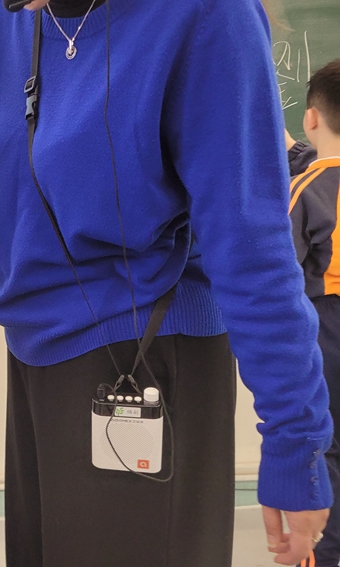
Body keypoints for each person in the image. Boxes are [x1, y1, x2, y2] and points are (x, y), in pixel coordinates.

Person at [0, 0, 331, 565]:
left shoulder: (206, 16)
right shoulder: (6, 13)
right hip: (36, 349)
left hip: (148, 350)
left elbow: (252, 247)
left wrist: (295, 442)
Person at [289, 59, 340, 567]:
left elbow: (281, 268)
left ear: (311, 117)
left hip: (328, 328)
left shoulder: (307, 188)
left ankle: (321, 555)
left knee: (326, 447)